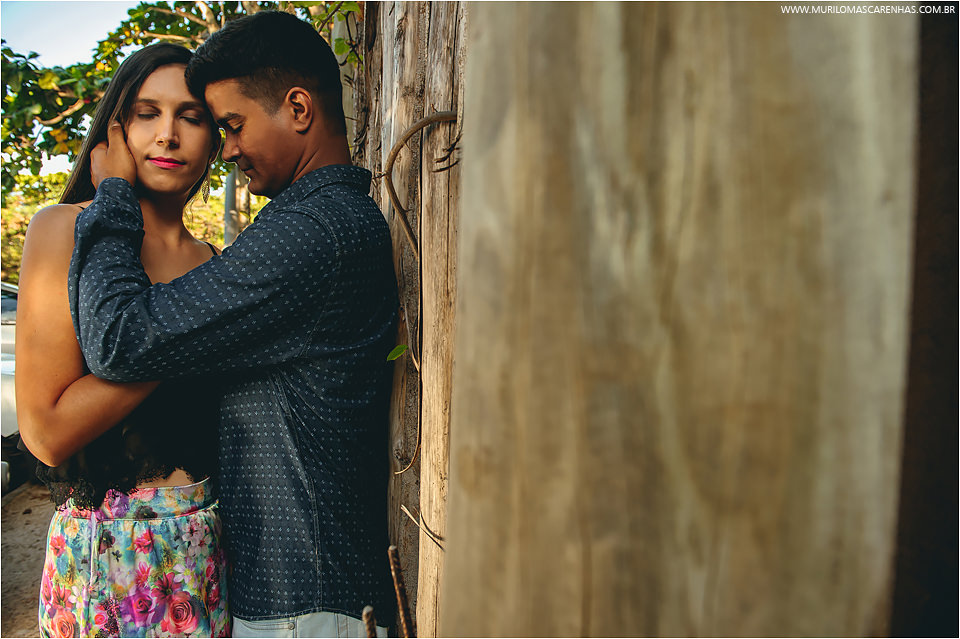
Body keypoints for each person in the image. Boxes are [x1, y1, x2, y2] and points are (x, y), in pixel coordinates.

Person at [68, 11, 399, 637]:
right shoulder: (320, 221)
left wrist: (112, 196)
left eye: (231, 125)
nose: (229, 149)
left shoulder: (312, 232)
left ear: (298, 108)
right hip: (300, 599)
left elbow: (120, 339)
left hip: (307, 604)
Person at [16, 43, 229, 637]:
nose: (168, 135)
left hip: (205, 560)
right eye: (146, 113)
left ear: (214, 139)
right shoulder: (65, 229)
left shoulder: (215, 263)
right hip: (105, 562)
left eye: (191, 117)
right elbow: (48, 434)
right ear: (115, 130)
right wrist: (196, 325)